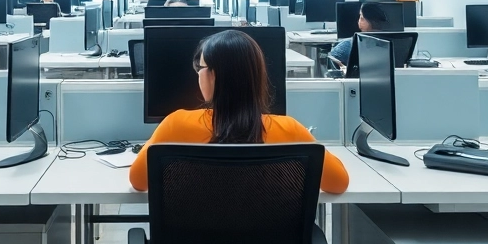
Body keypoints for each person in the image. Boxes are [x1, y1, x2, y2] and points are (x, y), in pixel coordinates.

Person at [130, 30, 349, 194]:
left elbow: (138, 181)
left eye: (201, 68)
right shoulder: (289, 130)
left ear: (215, 75)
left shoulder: (176, 124)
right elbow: (339, 183)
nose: (198, 75)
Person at [329, 1, 389, 67]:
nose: (359, 21)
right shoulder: (393, 44)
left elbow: (332, 61)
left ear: (371, 22)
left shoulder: (348, 46)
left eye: (361, 17)